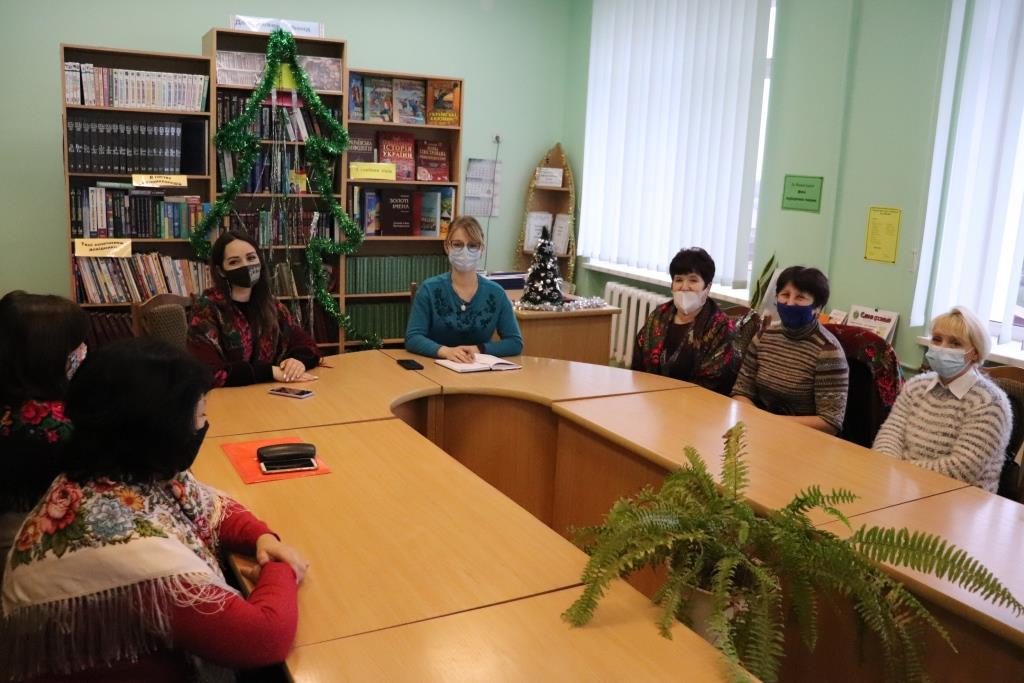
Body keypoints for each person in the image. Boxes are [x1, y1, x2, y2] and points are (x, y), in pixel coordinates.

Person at [0, 338, 308, 680]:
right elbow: (263, 638)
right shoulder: (129, 549)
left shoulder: (113, 471)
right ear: (160, 427)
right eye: (200, 415)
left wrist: (262, 537)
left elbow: (214, 506)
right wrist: (279, 568)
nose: (203, 426)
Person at [873, 306, 1011, 492]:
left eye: (955, 343)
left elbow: (961, 470)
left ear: (975, 353)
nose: (942, 348)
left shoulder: (989, 403)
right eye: (937, 339)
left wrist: (900, 472)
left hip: (958, 499)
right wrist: (888, 470)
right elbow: (890, 435)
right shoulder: (916, 386)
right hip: (902, 487)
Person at [0, 291, 87, 561]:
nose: (83, 351)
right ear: (49, 354)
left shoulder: (12, 405)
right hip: (32, 541)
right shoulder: (58, 423)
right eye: (76, 344)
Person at [188, 230, 320, 387]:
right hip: (226, 397)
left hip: (266, 392)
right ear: (221, 271)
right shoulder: (205, 310)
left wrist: (297, 362)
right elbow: (208, 372)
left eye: (251, 258)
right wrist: (270, 372)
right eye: (234, 262)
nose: (246, 265)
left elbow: (307, 345)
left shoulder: (272, 306)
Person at [731, 266, 849, 433]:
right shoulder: (764, 335)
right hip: (758, 428)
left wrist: (771, 422)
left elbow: (830, 421)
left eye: (800, 297)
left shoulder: (828, 350)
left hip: (802, 436)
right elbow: (741, 390)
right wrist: (756, 419)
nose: (790, 303)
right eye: (785, 295)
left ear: (817, 307)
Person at [405, 216, 523, 361]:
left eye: (472, 245)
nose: (465, 251)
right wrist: (445, 352)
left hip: (478, 367)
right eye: (457, 244)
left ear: (481, 249)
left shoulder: (496, 293)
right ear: (447, 247)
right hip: (435, 368)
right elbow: (413, 338)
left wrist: (479, 349)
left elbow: (515, 343)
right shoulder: (428, 289)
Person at [631, 247, 740, 394]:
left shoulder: (721, 326)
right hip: (649, 396)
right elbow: (638, 364)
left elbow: (715, 381)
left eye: (693, 280)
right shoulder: (658, 316)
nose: (684, 287)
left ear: (707, 287)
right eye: (679, 280)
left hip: (696, 402)